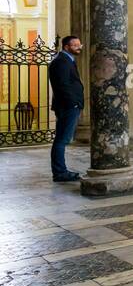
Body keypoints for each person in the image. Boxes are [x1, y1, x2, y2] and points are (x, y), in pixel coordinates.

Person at [48, 34, 85, 181]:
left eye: (79, 44)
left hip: (68, 105)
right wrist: (73, 103)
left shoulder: (66, 60)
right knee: (62, 140)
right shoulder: (62, 61)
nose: (79, 47)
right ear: (66, 47)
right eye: (75, 45)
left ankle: (60, 171)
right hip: (68, 106)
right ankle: (60, 172)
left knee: (62, 139)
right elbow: (62, 85)